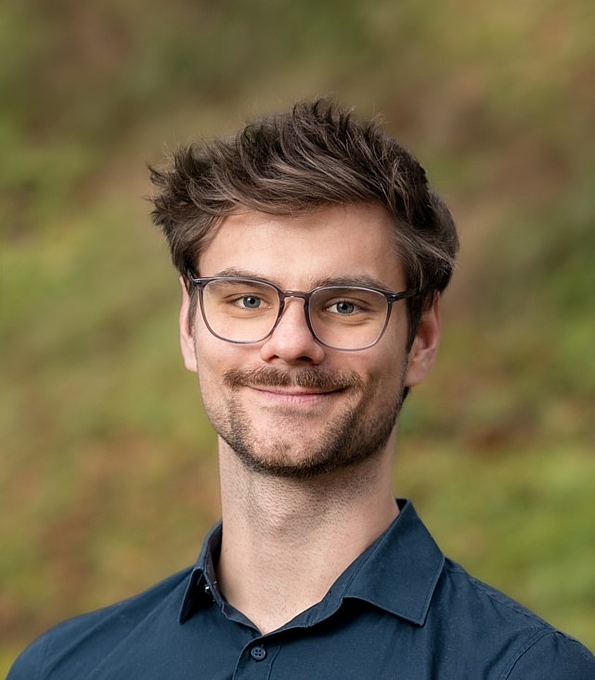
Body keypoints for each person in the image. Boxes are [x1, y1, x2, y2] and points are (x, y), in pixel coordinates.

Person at [8, 99, 595, 679]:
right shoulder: (61, 669)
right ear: (189, 325)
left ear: (420, 337)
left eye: (346, 305)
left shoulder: (527, 672)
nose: (291, 343)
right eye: (247, 299)